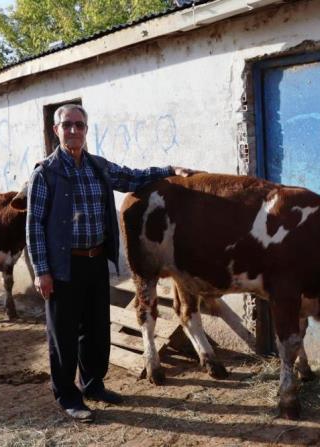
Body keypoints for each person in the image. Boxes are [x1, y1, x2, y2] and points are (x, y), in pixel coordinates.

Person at [26, 103, 195, 422]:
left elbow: (133, 178)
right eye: (67, 125)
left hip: (94, 261)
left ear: (86, 130)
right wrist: (42, 271)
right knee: (62, 334)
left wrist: (170, 170)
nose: (73, 130)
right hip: (63, 266)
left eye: (79, 125)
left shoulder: (97, 166)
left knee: (94, 329)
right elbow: (34, 224)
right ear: (56, 130)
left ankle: (93, 384)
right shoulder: (45, 173)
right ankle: (67, 395)